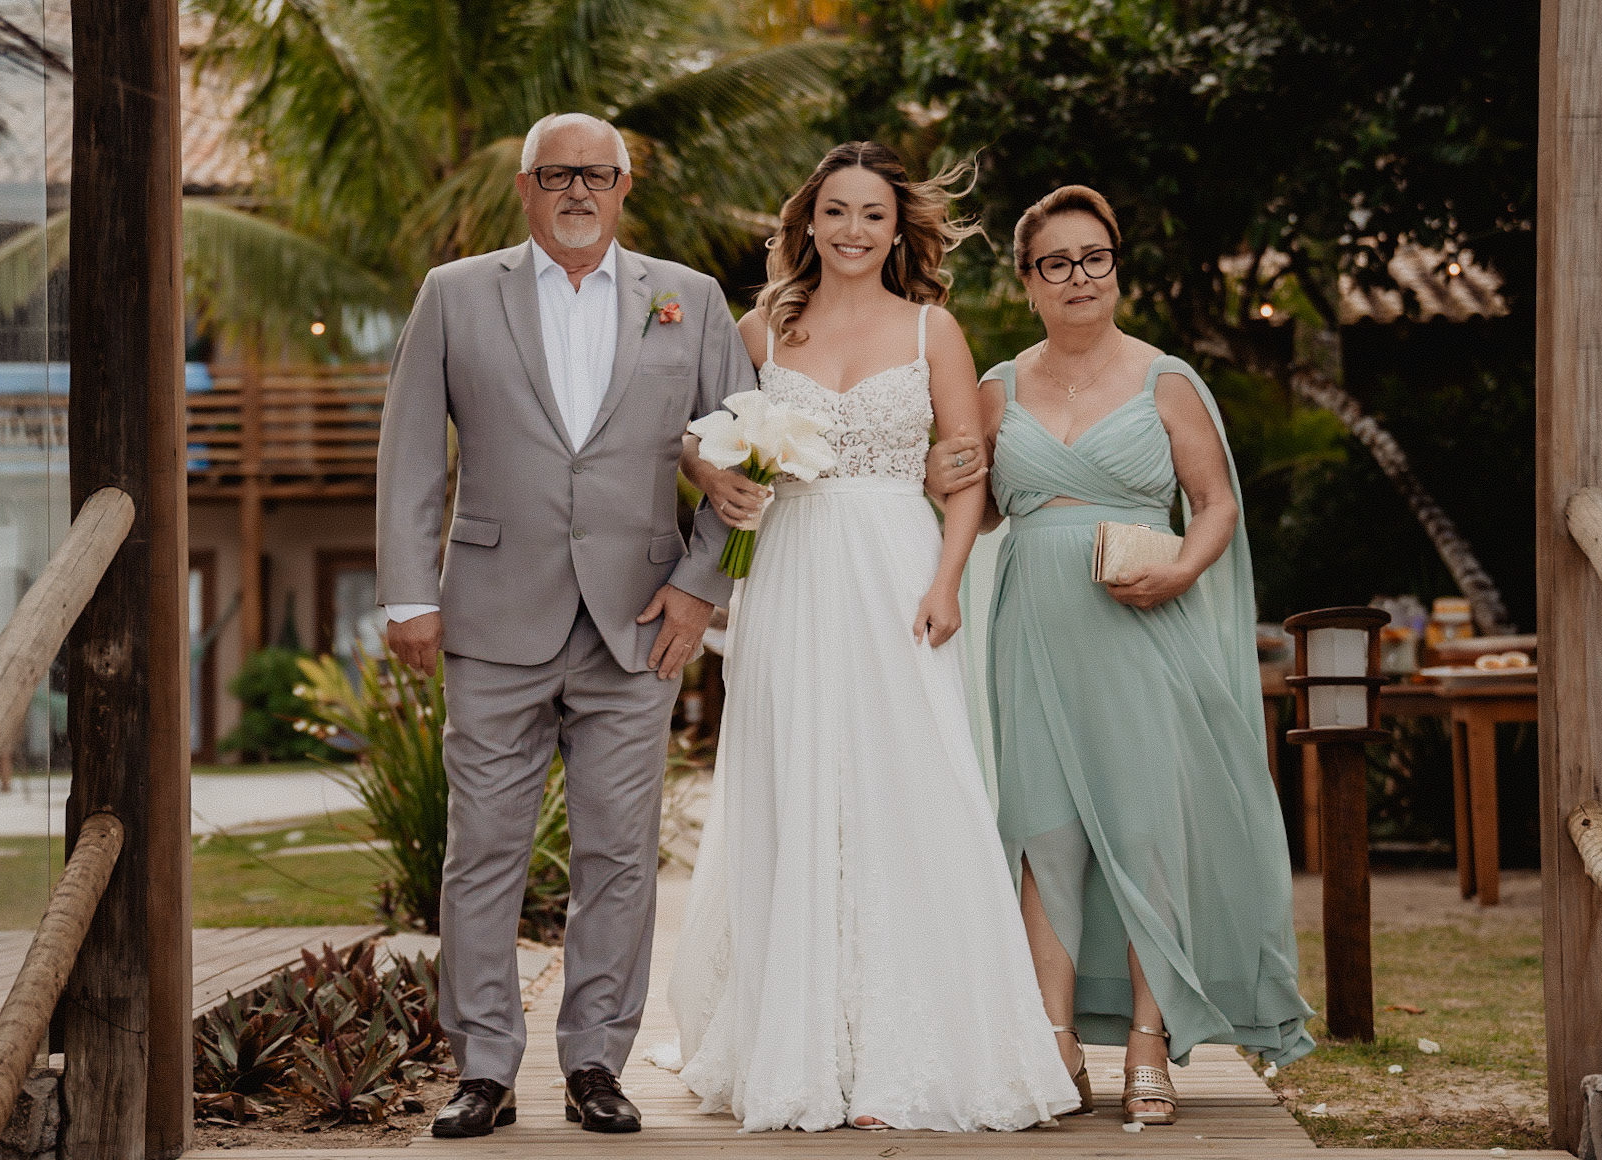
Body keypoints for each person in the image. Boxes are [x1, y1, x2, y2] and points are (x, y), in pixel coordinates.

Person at [667, 142, 1080, 1132]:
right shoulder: (762, 326)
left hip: (899, 572)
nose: (852, 230)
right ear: (808, 221)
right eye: (837, 211)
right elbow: (691, 434)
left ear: (898, 232)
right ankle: (804, 1043)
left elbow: (965, 470)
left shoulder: (933, 328)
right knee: (795, 781)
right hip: (789, 573)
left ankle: (907, 1047)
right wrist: (713, 476)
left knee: (909, 783)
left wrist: (946, 581)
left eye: (873, 215)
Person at [376, 112, 750, 1137]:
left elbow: (745, 447)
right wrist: (409, 593)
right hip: (493, 613)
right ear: (525, 188)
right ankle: (483, 1067)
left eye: (596, 173)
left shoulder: (690, 299)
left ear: (625, 187)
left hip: (641, 619)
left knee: (619, 856)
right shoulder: (455, 293)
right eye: (555, 174)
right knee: (482, 849)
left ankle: (595, 1061)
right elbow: (410, 448)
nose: (577, 189)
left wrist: (700, 587)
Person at [928, 185, 1315, 1127]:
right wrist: (936, 479)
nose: (1079, 277)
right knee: (1044, 833)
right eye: (1056, 263)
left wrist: (1181, 568)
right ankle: (1054, 1043)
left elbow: (1214, 503)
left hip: (1144, 625)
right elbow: (973, 507)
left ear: (1115, 268)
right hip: (1034, 631)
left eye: (1093, 257)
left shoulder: (1164, 380)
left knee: (1146, 832)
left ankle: (1149, 1040)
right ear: (1027, 282)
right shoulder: (997, 388)